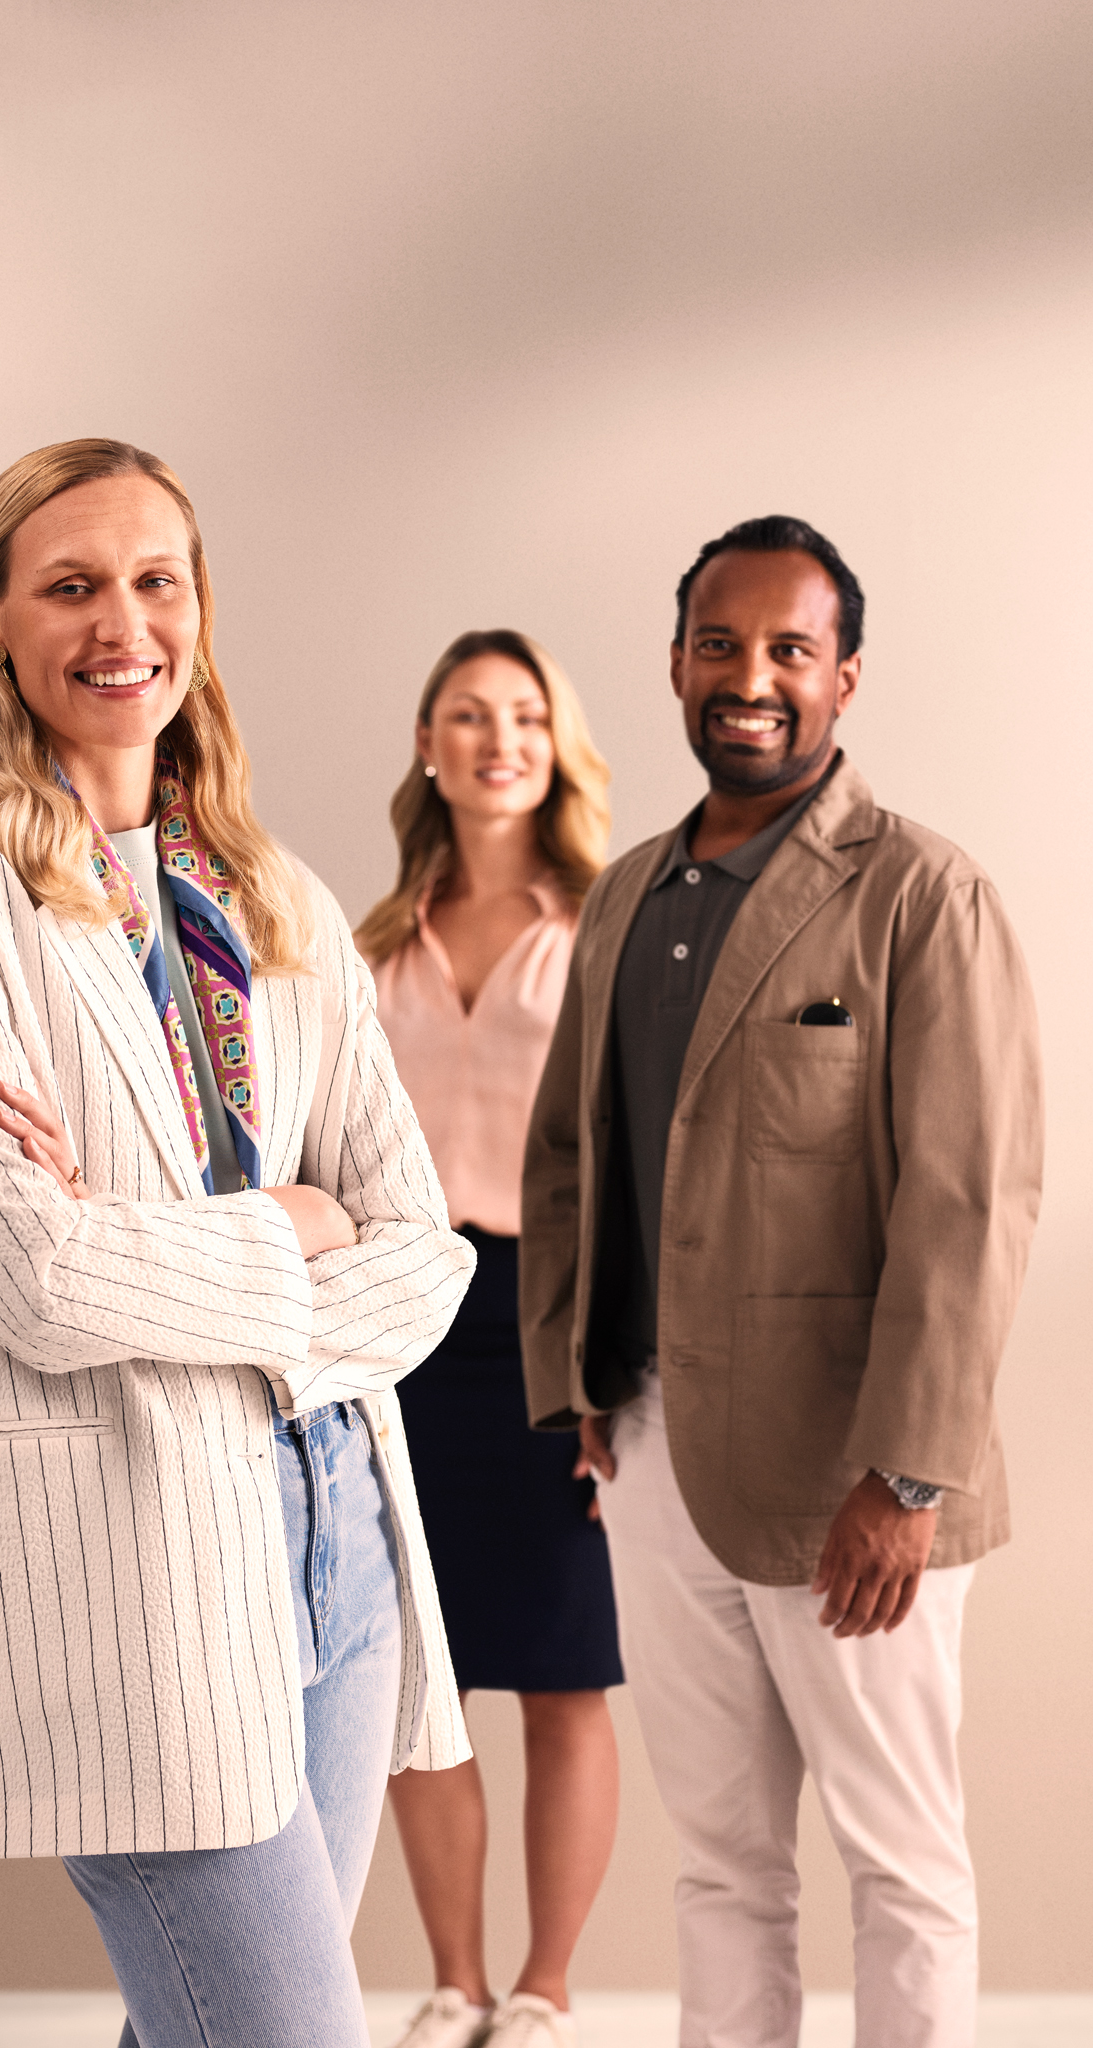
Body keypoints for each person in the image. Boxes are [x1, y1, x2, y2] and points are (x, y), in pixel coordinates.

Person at [0, 438, 478, 2048]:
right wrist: (288, 1225)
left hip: (333, 1525)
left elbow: (425, 1253)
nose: (120, 621)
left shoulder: (279, 898)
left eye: (155, 580)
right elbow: (31, 1280)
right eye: (69, 586)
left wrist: (159, 1244)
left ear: (196, 606)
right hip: (127, 1553)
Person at [520, 517, 1043, 2048]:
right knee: (723, 1864)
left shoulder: (920, 897)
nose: (749, 678)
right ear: (675, 661)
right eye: (718, 643)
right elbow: (569, 1158)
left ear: (844, 678)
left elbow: (968, 1203)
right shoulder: (620, 896)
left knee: (900, 1863)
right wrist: (572, 1391)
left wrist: (906, 1475)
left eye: (788, 650)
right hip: (650, 1446)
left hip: (852, 1481)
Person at [356, 630, 622, 2048]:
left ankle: (545, 1990)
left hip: (552, 1321)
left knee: (567, 1668)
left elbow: (639, 1164)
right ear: (427, 741)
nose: (495, 737)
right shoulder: (369, 937)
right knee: (420, 1680)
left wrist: (617, 1370)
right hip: (404, 1326)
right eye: (467, 713)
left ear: (554, 742)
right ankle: (454, 1984)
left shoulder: (608, 925)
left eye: (523, 714)